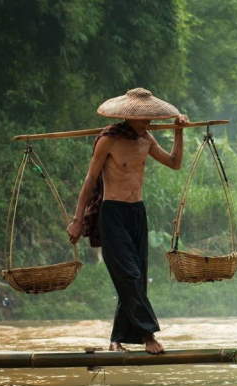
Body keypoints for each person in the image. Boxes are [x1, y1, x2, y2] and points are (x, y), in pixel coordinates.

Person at [66, 88, 187, 354]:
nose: (150, 122)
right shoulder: (108, 140)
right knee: (129, 275)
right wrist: (77, 220)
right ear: (128, 118)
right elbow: (90, 179)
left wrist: (179, 132)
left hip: (137, 213)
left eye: (151, 118)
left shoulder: (147, 140)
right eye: (145, 119)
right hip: (112, 214)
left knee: (135, 277)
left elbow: (175, 163)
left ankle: (116, 339)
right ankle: (147, 335)